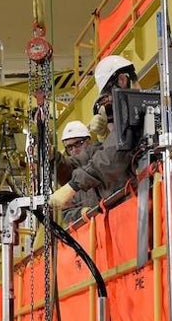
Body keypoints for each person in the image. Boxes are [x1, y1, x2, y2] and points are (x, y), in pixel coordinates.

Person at [49, 55, 138, 222]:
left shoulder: (135, 113)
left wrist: (72, 186)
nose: (74, 149)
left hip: (140, 209)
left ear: (122, 80)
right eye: (69, 147)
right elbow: (70, 168)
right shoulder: (86, 166)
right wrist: (52, 157)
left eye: (110, 104)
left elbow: (111, 158)